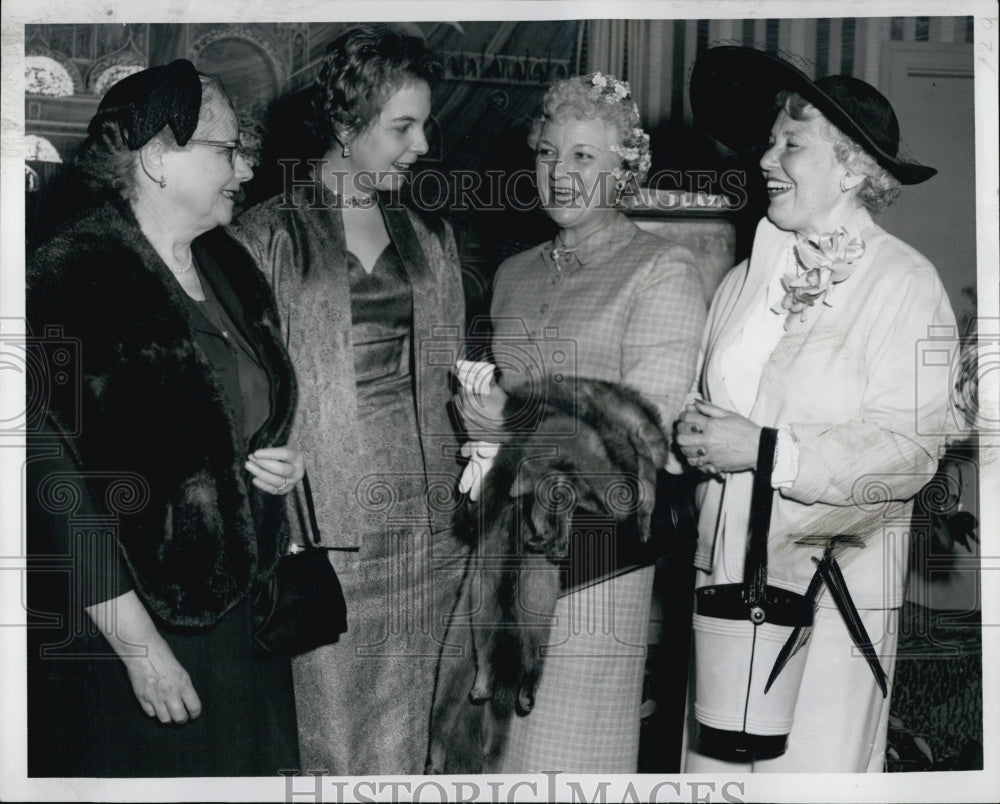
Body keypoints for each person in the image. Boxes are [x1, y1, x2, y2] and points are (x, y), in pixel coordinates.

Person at [676, 46, 957, 772]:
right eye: (769, 142)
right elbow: (710, 411)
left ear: (852, 168)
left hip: (832, 596)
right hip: (725, 591)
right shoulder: (745, 278)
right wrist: (690, 440)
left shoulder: (903, 284)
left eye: (790, 144)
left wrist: (767, 450)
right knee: (715, 776)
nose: (766, 159)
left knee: (806, 775)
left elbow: (908, 451)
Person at [26, 59, 304, 777]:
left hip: (241, 614)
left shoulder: (229, 267)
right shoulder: (70, 277)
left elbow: (240, 411)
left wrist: (274, 461)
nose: (247, 167)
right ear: (156, 159)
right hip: (136, 622)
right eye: (228, 149)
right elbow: (53, 488)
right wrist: (139, 648)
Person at [229, 25, 468, 775]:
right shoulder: (263, 236)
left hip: (427, 527)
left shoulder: (430, 236)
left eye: (424, 125)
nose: (421, 144)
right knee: (328, 734)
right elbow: (238, 395)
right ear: (345, 124)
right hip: (320, 528)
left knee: (411, 730)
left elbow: (452, 377)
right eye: (402, 127)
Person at [453, 72, 706, 773]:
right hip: (499, 553)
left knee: (569, 761)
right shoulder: (513, 273)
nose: (559, 172)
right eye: (547, 153)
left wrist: (510, 427)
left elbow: (642, 436)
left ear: (625, 170)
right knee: (492, 761)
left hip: (596, 559)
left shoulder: (661, 270)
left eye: (584, 156)